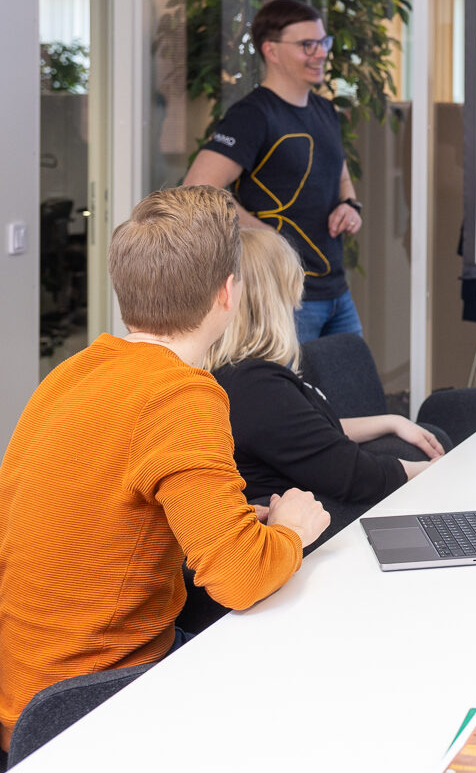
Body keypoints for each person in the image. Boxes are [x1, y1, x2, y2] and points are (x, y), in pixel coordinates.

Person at [0, 186, 330, 748]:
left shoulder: (74, 370)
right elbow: (240, 578)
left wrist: (225, 520)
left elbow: (94, 515)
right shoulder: (182, 395)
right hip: (88, 701)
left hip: (22, 691)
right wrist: (293, 531)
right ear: (228, 294)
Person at [206, 227, 444, 518]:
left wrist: (389, 421)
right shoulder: (256, 387)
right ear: (274, 300)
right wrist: (434, 472)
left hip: (306, 504)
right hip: (304, 528)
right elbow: (350, 474)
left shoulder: (239, 373)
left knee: (417, 442)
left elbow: (307, 436)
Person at [182, 0, 364, 342]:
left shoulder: (325, 110)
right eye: (307, 45)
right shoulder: (252, 115)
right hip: (283, 296)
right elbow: (198, 190)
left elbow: (340, 175)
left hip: (336, 292)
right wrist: (267, 238)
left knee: (350, 391)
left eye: (323, 42)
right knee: (294, 396)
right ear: (272, 50)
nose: (321, 53)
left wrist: (349, 206)